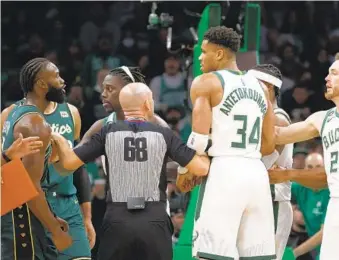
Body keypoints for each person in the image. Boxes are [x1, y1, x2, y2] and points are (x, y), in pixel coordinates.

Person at [51, 82, 210, 260]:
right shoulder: (164, 134)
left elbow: (69, 162)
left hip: (117, 220)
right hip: (154, 219)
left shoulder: (107, 133)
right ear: (147, 104)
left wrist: (58, 138)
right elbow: (201, 168)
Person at [187, 26, 277, 260]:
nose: (199, 57)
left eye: (204, 52)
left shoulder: (206, 82)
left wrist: (184, 170)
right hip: (256, 173)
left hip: (224, 171)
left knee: (212, 254)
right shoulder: (261, 87)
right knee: (257, 256)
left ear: (218, 54)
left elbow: (198, 139)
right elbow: (268, 145)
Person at [275, 52, 339, 260]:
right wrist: (264, 103)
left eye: (334, 73)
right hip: (336, 203)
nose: (326, 78)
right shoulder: (323, 119)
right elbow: (278, 135)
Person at [1, 99, 94, 260]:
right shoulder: (12, 114)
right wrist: (7, 157)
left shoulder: (70, 113)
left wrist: (86, 216)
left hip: (63, 203)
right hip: (23, 209)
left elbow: (79, 167)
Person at [1, 58, 72, 260]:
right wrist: (55, 230)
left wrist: (50, 217)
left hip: (16, 213)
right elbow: (30, 185)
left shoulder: (15, 112)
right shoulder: (35, 124)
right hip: (21, 217)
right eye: (56, 76)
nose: (62, 81)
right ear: (41, 84)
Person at [248, 64, 294, 260]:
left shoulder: (278, 118)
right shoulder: (259, 116)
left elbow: (260, 163)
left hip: (274, 199)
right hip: (258, 197)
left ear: (267, 87)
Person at [291, 153, 330, 260]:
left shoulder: (332, 192)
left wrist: (293, 253)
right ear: (304, 169)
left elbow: (324, 233)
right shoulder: (300, 188)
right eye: (309, 167)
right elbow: (279, 190)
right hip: (316, 250)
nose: (314, 171)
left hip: (334, 248)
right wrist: (291, 211)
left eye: (318, 167)